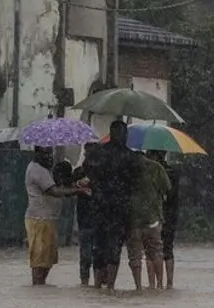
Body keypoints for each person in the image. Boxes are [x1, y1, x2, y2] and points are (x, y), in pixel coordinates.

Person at [89, 120, 141, 289]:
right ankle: (110, 285)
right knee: (114, 247)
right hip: (119, 208)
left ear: (110, 134)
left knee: (99, 245)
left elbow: (90, 173)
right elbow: (136, 182)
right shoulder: (131, 157)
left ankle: (97, 285)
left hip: (99, 206)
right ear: (125, 135)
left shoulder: (98, 153)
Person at [24, 146, 87, 285]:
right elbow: (54, 191)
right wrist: (78, 191)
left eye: (50, 153)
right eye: (45, 153)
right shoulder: (37, 170)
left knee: (48, 259)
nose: (49, 156)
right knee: (40, 260)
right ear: (37, 153)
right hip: (39, 219)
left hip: (48, 218)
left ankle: (41, 287)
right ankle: (38, 286)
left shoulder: (45, 170)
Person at [127, 151, 171, 290]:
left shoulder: (127, 169)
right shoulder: (156, 167)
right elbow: (167, 188)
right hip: (153, 218)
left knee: (135, 255)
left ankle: (138, 286)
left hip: (133, 219)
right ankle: (158, 285)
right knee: (155, 252)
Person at [147, 151, 179, 289]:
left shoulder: (151, 173)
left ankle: (154, 284)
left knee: (152, 250)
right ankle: (169, 283)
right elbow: (173, 195)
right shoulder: (173, 173)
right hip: (170, 215)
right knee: (167, 248)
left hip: (155, 215)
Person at [73, 143, 101, 286]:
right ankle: (85, 282)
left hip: (98, 219)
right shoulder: (79, 172)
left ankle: (96, 283)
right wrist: (79, 184)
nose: (86, 157)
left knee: (96, 254)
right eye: (86, 154)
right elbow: (69, 186)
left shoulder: (102, 174)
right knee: (86, 254)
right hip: (86, 219)